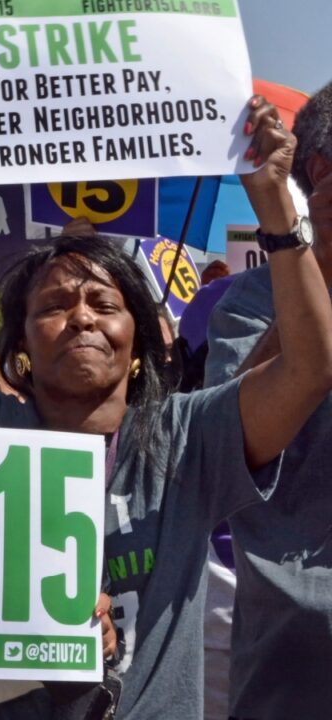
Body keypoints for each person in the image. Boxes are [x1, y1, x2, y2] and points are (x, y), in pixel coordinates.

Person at [0, 68, 332, 719]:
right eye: (56, 304)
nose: (82, 316)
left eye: (103, 302)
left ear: (138, 340)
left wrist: (279, 210)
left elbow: (310, 369)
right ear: (23, 340)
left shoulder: (190, 438)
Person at [203, 79, 332, 720]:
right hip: (291, 658)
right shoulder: (250, 304)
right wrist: (319, 272)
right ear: (319, 175)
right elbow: (230, 442)